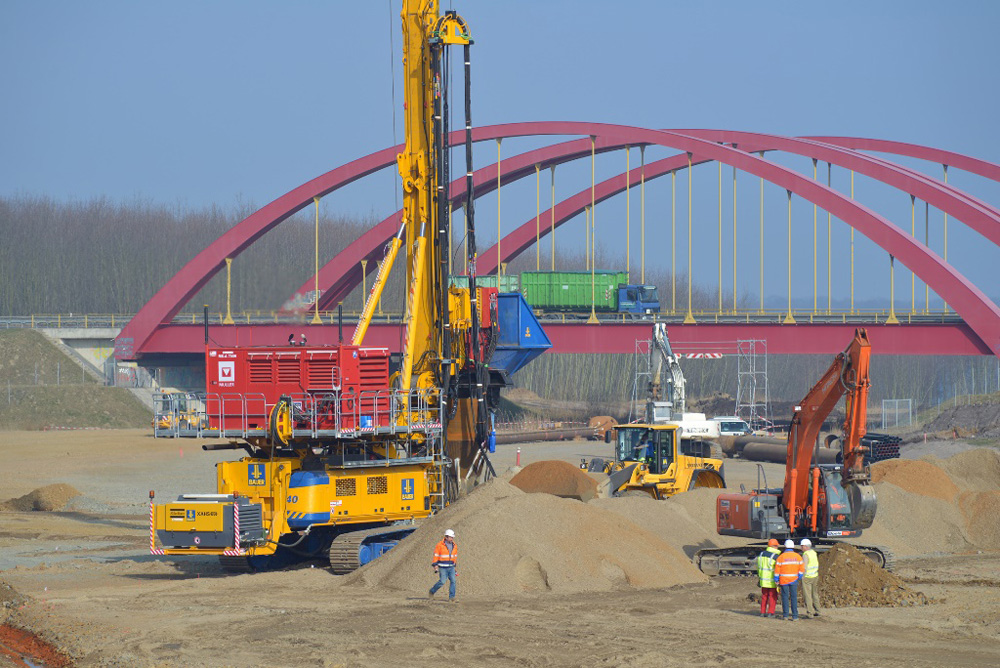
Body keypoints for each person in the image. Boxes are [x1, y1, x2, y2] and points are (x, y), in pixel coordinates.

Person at [774, 539, 805, 620]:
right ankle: (795, 616)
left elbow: (777, 570)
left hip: (784, 580)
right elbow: (802, 569)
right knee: (794, 597)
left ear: (785, 547)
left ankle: (785, 615)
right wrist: (799, 577)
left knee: (785, 597)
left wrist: (776, 580)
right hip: (794, 580)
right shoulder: (798, 556)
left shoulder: (781, 557)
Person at [429, 528, 458, 601]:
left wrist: (455, 566)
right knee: (442, 581)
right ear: (446, 537)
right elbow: (436, 555)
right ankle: (432, 591)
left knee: (453, 581)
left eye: (452, 537)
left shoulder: (455, 546)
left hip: (451, 567)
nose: (452, 539)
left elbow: (454, 557)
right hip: (442, 567)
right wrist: (435, 565)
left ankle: (452, 597)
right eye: (451, 537)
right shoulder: (439, 545)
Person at [756, 538, 781, 617]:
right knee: (772, 597)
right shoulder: (776, 556)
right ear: (774, 546)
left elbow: (759, 567)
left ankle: (762, 612)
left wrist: (760, 577)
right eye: (777, 546)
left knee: (764, 596)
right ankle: (771, 613)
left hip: (763, 580)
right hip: (772, 580)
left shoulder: (761, 554)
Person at [800, 538, 821, 618]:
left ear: (805, 546)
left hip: (807, 577)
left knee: (807, 595)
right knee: (814, 594)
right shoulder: (813, 552)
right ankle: (818, 610)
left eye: (802, 546)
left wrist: (801, 576)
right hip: (815, 576)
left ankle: (810, 613)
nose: (801, 548)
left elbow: (804, 567)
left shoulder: (806, 554)